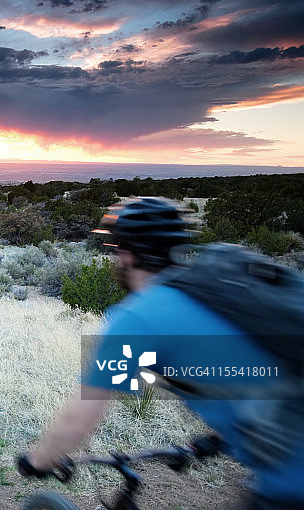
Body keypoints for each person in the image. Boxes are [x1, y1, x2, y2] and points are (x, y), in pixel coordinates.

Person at [16, 197, 304, 508]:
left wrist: (38, 461)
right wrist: (218, 441)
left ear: (125, 254)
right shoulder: (211, 298)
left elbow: (77, 421)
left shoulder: (138, 318)